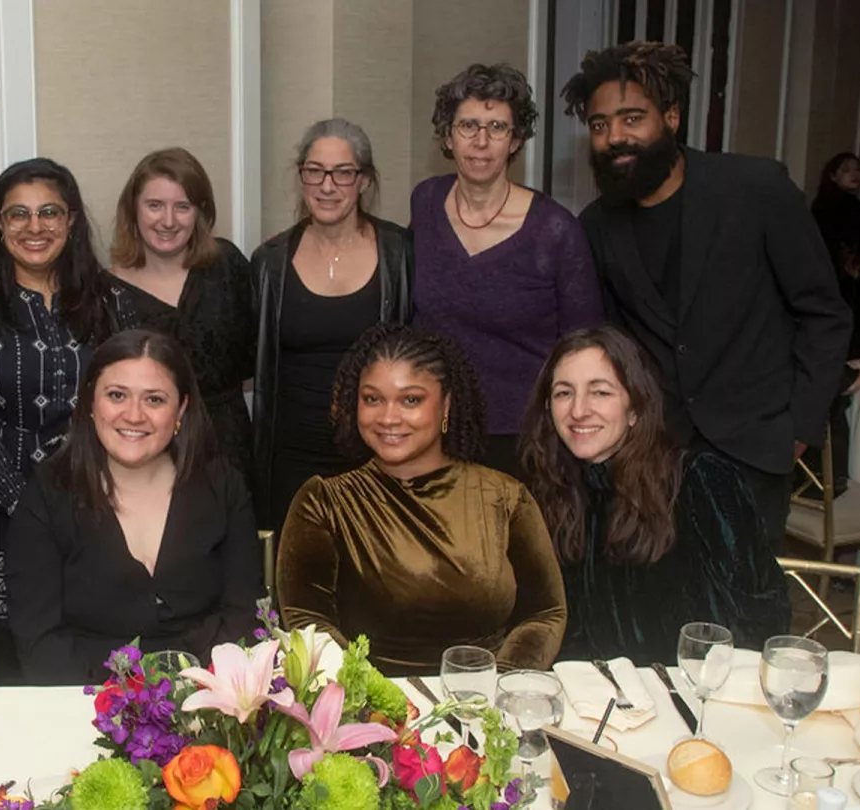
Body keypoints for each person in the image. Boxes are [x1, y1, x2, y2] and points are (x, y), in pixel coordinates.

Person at [562, 41, 851, 551]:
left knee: (741, 611)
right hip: (656, 453)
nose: (614, 138)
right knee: (663, 607)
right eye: (601, 125)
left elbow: (824, 312)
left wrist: (798, 428)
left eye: (632, 119)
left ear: (671, 117)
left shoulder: (755, 189)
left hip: (756, 446)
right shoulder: (597, 226)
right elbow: (612, 343)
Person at [0, 157, 136, 679]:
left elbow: (133, 401)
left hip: (99, 498)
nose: (35, 227)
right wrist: (26, 506)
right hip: (3, 504)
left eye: (49, 212)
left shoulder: (109, 299)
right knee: (14, 654)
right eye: (18, 214)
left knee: (95, 643)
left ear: (71, 220)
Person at [276, 323, 566, 675]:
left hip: (486, 707)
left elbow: (545, 613)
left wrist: (499, 691)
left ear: (446, 406)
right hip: (368, 715)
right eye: (372, 399)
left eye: (411, 400)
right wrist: (372, 701)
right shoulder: (324, 503)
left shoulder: (505, 498)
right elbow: (308, 621)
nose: (388, 417)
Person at [519, 326, 790, 664]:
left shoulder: (699, 481)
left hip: (701, 693)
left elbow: (762, 615)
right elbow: (557, 626)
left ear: (635, 408)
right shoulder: (554, 493)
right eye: (563, 393)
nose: (578, 410)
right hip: (602, 703)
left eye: (600, 392)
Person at [6, 330, 261, 684]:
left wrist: (195, 696)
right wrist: (122, 706)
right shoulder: (48, 495)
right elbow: (38, 643)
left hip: (207, 703)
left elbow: (244, 617)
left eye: (154, 400)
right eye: (116, 395)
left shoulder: (224, 488)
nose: (134, 415)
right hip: (83, 703)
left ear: (181, 410)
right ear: (91, 405)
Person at [411, 63, 602, 478]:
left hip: (525, 442)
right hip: (434, 429)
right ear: (447, 135)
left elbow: (583, 349)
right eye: (468, 126)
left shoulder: (555, 230)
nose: (481, 142)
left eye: (497, 127)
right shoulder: (425, 203)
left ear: (515, 141)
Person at [252, 118, 413, 532]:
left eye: (342, 173)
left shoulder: (402, 253)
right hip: (291, 458)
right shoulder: (269, 262)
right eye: (314, 171)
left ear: (363, 180)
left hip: (378, 455)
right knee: (294, 585)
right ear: (302, 177)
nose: (327, 186)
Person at [109, 148, 255, 479]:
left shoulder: (227, 265)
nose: (168, 221)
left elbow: (257, 352)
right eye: (155, 205)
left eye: (183, 207)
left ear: (200, 213)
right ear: (133, 210)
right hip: (147, 457)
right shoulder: (106, 293)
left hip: (229, 450)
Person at [811, 152, 860, 272]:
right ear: (833, 176)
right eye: (846, 170)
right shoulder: (832, 204)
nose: (854, 174)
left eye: (858, 170)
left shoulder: (849, 203)